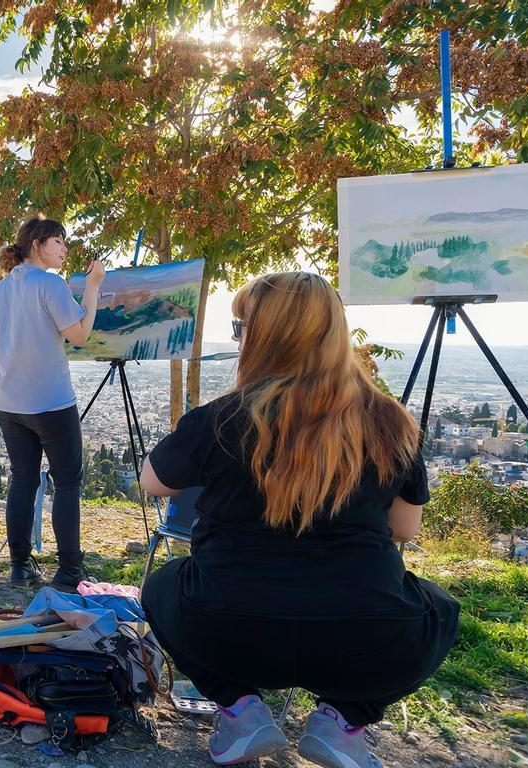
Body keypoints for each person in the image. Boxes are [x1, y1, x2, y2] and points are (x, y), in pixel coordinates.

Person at [139, 272, 459, 768]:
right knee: (440, 610)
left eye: (242, 327)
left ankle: (241, 711)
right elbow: (405, 529)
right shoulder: (390, 423)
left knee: (163, 586)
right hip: (365, 639)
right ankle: (343, 722)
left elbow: (153, 482)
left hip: (227, 629)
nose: (236, 338)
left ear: (269, 337)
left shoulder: (221, 419)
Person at [0, 216, 105, 591]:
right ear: (36, 244)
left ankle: (20, 566)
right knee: (67, 482)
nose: (65, 249)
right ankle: (69, 571)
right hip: (50, 399)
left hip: (8, 400)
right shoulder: (51, 284)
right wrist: (93, 287)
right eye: (58, 241)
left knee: (23, 479)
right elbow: (80, 335)